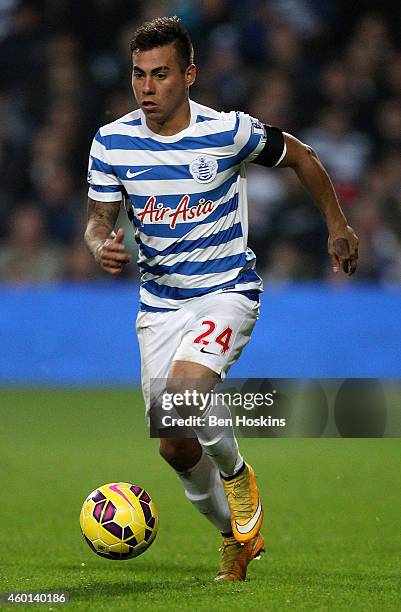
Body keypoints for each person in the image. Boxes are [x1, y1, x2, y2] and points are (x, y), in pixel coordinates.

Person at [84, 16, 358, 581]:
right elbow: (98, 221)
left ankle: (237, 477)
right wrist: (101, 247)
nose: (146, 88)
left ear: (189, 74)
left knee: (187, 392)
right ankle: (236, 539)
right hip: (159, 305)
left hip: (225, 291)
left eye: (160, 75)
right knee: (176, 449)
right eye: (138, 75)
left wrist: (337, 225)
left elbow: (302, 156)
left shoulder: (227, 131)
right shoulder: (111, 141)